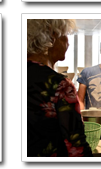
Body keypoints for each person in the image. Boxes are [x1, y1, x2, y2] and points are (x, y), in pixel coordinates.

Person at [26, 19, 92, 156]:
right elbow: (76, 146)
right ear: (52, 37)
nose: (68, 43)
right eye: (65, 36)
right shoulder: (60, 84)